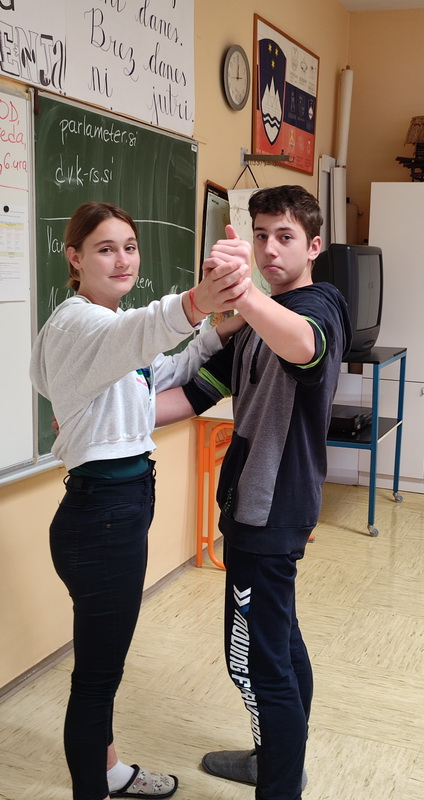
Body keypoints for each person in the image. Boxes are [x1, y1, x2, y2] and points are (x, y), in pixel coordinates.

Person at [29, 201, 249, 800]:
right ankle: (94, 789)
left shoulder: (108, 326)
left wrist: (221, 328)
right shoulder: (80, 325)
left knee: (102, 670)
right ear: (75, 258)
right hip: (102, 518)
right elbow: (145, 331)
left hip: (114, 512)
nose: (123, 259)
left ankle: (109, 772)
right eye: (105, 249)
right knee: (97, 679)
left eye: (129, 246)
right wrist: (199, 300)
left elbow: (163, 368)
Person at [156, 185, 352, 800]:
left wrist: (242, 294)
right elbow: (195, 393)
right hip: (251, 507)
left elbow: (305, 346)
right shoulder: (255, 322)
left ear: (313, 246)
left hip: (271, 510)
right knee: (279, 644)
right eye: (261, 235)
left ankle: (279, 782)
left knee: (254, 662)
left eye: (285, 237)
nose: (269, 249)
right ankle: (277, 761)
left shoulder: (319, 305)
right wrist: (104, 419)